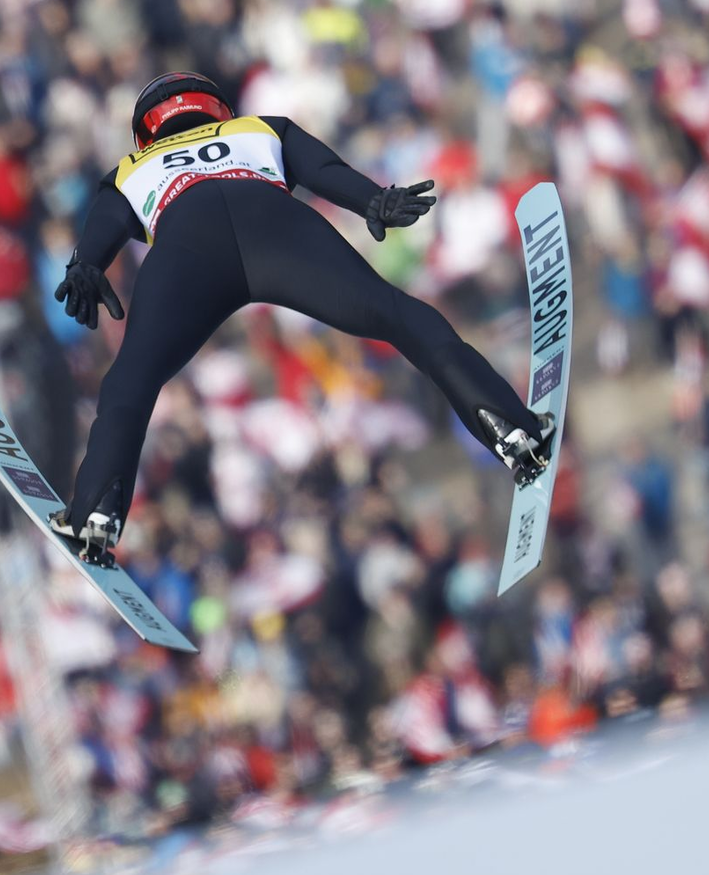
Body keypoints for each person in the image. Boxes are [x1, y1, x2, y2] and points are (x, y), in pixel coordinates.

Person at [51, 72, 554, 557]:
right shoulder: (260, 127)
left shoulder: (128, 169)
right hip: (278, 228)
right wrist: (372, 201)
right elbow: (325, 173)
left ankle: (95, 510)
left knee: (129, 385)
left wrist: (85, 265)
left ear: (145, 132)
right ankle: (507, 425)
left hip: (187, 247)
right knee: (400, 317)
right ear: (218, 107)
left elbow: (103, 229)